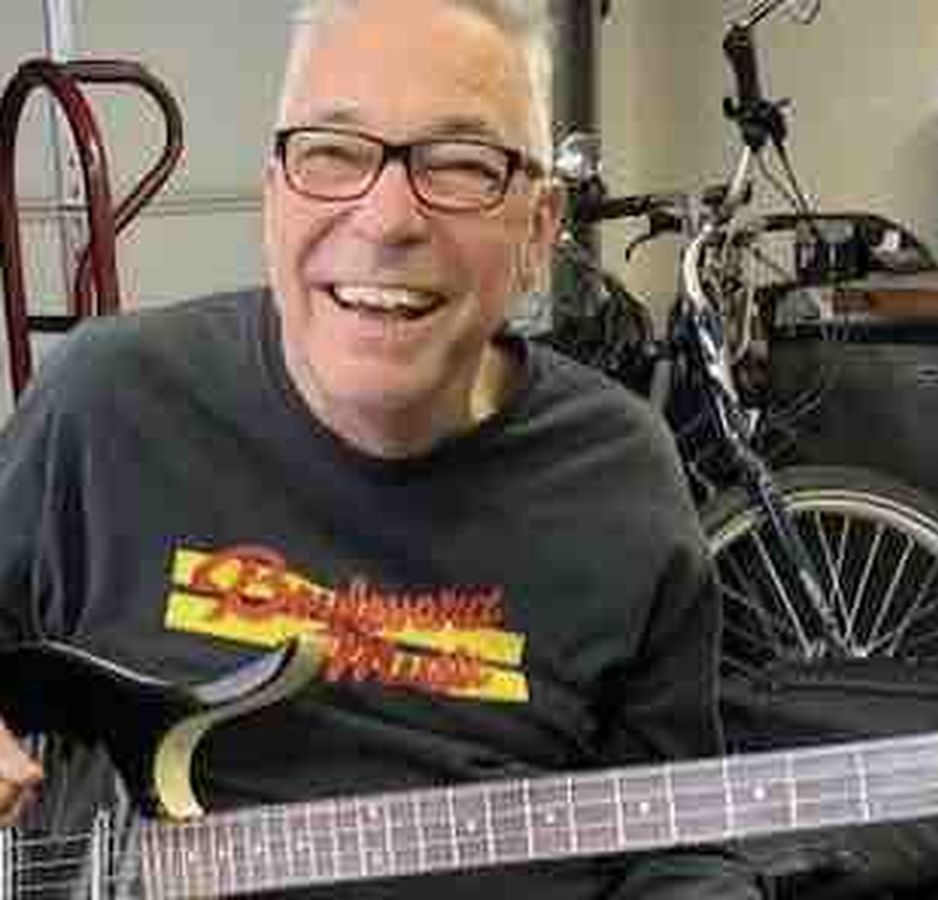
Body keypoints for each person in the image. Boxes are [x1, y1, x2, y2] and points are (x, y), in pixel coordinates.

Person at [0, 1, 764, 897]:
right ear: (274, 198)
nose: (388, 218)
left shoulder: (620, 479)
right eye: (333, 151)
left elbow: (676, 842)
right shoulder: (108, 404)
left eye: (462, 164)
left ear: (538, 231)